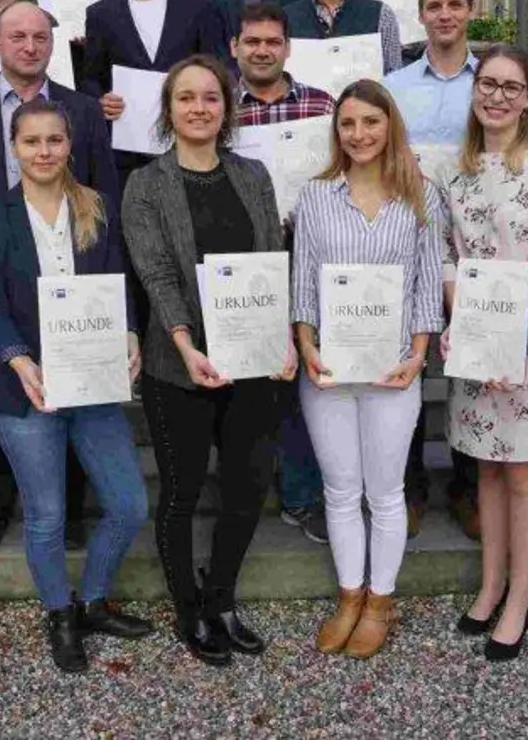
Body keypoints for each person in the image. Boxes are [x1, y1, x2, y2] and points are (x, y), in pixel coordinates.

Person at [0, 97, 153, 674]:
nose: (44, 151)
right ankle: (59, 612)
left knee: (128, 504)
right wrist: (20, 362)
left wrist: (129, 332)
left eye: (55, 140)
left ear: (70, 145)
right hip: (27, 389)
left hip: (92, 382)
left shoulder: (94, 205)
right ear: (14, 147)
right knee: (44, 516)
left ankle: (92, 599)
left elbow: (118, 280)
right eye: (31, 141)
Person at [120, 55, 297, 667]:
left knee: (246, 488)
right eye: (186, 98)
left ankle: (221, 596)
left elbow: (274, 260)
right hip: (181, 369)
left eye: (211, 98)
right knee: (182, 491)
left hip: (252, 364)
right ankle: (188, 606)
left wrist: (285, 341)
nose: (199, 107)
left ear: (228, 108)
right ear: (168, 110)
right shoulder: (145, 183)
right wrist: (186, 345)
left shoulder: (253, 174)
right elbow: (157, 275)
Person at [0, 1, 120, 552]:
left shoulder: (83, 111)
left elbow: (103, 190)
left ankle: (69, 513)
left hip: (71, 276)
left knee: (74, 392)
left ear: (53, 44)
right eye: (16, 36)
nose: (28, 46)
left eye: (40, 37)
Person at [293, 79, 447, 660]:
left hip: (391, 371)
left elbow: (428, 281)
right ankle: (349, 595)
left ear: (390, 126)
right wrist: (304, 343)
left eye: (370, 123)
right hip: (329, 367)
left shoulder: (421, 197)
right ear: (337, 131)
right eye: (348, 124)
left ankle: (381, 600)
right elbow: (303, 277)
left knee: (385, 493)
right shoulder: (315, 197)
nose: (359, 134)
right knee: (339, 491)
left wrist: (418, 354)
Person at [442, 44, 528, 661]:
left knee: (523, 471)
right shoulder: (452, 169)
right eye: (488, 84)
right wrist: (453, 323)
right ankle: (490, 583)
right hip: (473, 337)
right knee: (486, 468)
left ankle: (519, 597)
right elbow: (445, 255)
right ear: (475, 91)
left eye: (511, 87)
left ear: (527, 99)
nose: (497, 95)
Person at [382, 0, 482, 541]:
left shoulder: (487, 83)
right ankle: (412, 488)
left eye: (454, 4)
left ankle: (469, 489)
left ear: (470, 11)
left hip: (474, 249)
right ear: (420, 15)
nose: (444, 15)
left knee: (469, 369)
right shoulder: (395, 87)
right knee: (411, 371)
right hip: (410, 248)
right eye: (434, 6)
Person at [232, 2, 336, 545]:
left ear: (288, 47)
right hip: (247, 261)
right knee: (253, 379)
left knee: (305, 379)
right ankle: (245, 494)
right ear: (236, 47)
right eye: (252, 41)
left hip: (313, 254)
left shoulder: (321, 105)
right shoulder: (221, 108)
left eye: (273, 41)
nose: (263, 50)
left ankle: (302, 496)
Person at [81, 0, 230, 187]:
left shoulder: (198, 10)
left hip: (188, 152)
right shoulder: (101, 14)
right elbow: (90, 77)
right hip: (126, 158)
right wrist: (101, 100)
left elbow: (219, 72)